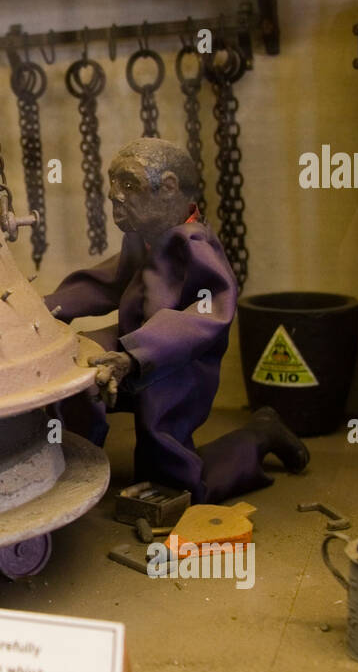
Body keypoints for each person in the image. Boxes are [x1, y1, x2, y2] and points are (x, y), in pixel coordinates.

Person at [46, 137, 308, 505]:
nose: (114, 194)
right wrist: (46, 308)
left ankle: (259, 435)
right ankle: (75, 463)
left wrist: (136, 356)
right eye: (114, 182)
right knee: (75, 371)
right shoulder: (144, 238)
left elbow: (210, 311)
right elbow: (109, 282)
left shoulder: (195, 245)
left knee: (171, 462)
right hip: (133, 342)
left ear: (168, 187)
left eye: (129, 184)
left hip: (177, 360)